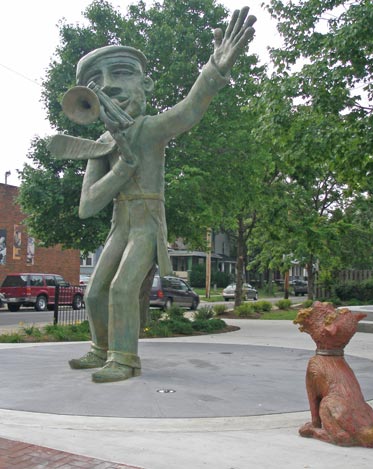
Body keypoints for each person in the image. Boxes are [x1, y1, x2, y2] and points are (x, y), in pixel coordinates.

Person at [48, 7, 256, 383]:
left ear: (146, 86)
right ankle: (101, 348)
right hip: (119, 228)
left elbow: (190, 109)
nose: (108, 86)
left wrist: (214, 69)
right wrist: (124, 166)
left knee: (123, 287)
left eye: (122, 74)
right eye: (95, 82)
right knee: (95, 292)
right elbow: (88, 205)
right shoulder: (101, 145)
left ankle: (125, 359)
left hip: (145, 226)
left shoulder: (150, 130)